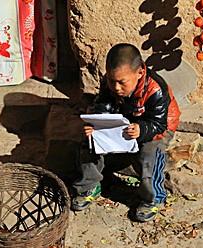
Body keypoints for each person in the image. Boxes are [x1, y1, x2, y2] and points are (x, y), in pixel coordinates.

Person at [71, 43, 180, 223]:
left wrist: (142, 129)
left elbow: (159, 124)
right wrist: (96, 126)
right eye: (111, 80)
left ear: (139, 73)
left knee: (149, 154)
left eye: (122, 82)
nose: (116, 87)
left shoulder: (156, 89)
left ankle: (151, 198)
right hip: (124, 122)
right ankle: (88, 186)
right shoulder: (111, 83)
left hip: (156, 126)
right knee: (89, 142)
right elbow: (103, 108)